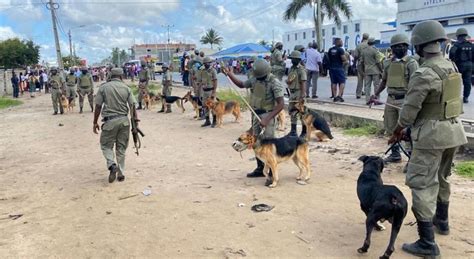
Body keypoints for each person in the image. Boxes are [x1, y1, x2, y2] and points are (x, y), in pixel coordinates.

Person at [388, 20, 467, 258]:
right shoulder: (450, 66)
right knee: (443, 177)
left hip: (431, 136)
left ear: (419, 46)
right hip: (453, 131)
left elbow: (410, 110)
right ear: (441, 42)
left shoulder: (424, 73)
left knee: (422, 182)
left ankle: (427, 243)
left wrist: (399, 128)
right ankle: (441, 221)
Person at [223, 59, 284, 185]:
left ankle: (272, 174)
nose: (259, 79)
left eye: (261, 77)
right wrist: (229, 74)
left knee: (268, 144)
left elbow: (281, 104)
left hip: (267, 114)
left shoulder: (274, 82)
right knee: (255, 142)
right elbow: (241, 84)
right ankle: (260, 168)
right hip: (255, 114)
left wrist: (267, 118)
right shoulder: (255, 79)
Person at [371, 34, 419, 164]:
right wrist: (375, 94)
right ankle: (395, 154)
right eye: (397, 46)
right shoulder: (387, 63)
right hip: (391, 99)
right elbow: (384, 80)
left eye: (403, 45)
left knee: (407, 131)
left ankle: (411, 158)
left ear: (407, 47)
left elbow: (416, 84)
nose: (400, 48)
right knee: (391, 127)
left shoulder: (411, 63)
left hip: (405, 100)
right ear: (392, 48)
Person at [93, 68, 138, 183]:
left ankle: (112, 165)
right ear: (121, 76)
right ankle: (121, 173)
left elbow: (98, 106)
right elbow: (132, 106)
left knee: (106, 146)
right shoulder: (126, 88)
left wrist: (95, 122)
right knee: (121, 147)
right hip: (124, 121)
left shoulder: (104, 87)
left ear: (110, 75)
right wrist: (135, 124)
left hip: (110, 122)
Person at [449, 27, 473, 103]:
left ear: (458, 35)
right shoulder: (471, 45)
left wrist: (453, 61)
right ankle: (466, 97)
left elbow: (451, 54)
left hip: (459, 65)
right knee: (467, 81)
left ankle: (456, 97)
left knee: (457, 81)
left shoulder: (456, 45)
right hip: (469, 65)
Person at [286, 50, 307, 137]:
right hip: (292, 92)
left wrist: (302, 95)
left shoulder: (301, 69)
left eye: (294, 59)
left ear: (298, 60)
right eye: (291, 59)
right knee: (292, 111)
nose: (292, 60)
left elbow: (303, 82)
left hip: (299, 92)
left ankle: (304, 132)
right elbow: (289, 80)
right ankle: (293, 131)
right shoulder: (291, 69)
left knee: (302, 112)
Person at [361, 38, 383, 104]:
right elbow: (378, 62)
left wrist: (362, 70)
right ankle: (377, 100)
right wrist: (381, 70)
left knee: (367, 86)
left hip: (367, 70)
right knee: (376, 85)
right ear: (374, 43)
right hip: (375, 70)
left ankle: (367, 100)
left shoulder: (364, 51)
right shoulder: (375, 50)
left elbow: (361, 61)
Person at [199, 56, 218, 127]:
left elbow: (215, 81)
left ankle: (214, 121)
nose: (206, 64)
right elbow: (201, 82)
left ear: (210, 63)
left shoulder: (213, 71)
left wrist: (214, 92)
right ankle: (207, 121)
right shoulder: (202, 71)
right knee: (205, 106)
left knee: (213, 106)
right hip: (204, 92)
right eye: (205, 63)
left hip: (211, 91)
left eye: (207, 63)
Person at [328, 38, 348, 102]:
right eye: (341, 41)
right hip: (339, 68)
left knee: (334, 82)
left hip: (332, 68)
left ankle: (334, 96)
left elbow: (329, 58)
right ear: (337, 42)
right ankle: (339, 96)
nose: (342, 43)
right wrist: (346, 62)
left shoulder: (330, 50)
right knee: (342, 82)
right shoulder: (340, 50)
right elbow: (344, 59)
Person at [354, 33, 369, 98]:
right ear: (368, 38)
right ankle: (366, 92)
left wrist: (354, 64)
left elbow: (356, 56)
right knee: (367, 79)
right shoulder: (369, 45)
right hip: (368, 64)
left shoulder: (359, 45)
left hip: (360, 64)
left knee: (360, 79)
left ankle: (358, 94)